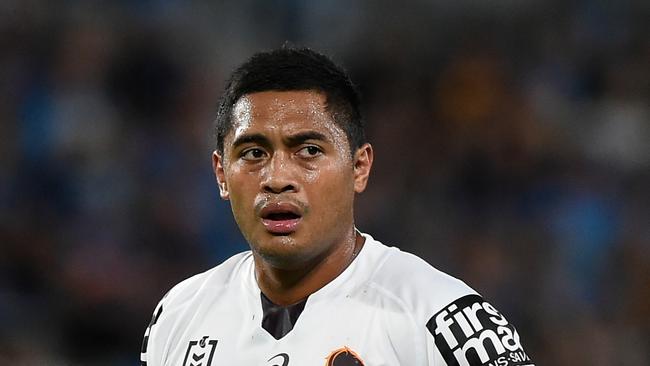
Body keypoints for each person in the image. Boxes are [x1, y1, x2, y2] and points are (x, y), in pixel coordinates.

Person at [140, 47, 534, 366]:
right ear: (222, 174)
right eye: (254, 152)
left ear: (359, 167)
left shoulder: (442, 319)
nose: (277, 177)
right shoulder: (180, 314)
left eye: (309, 150)